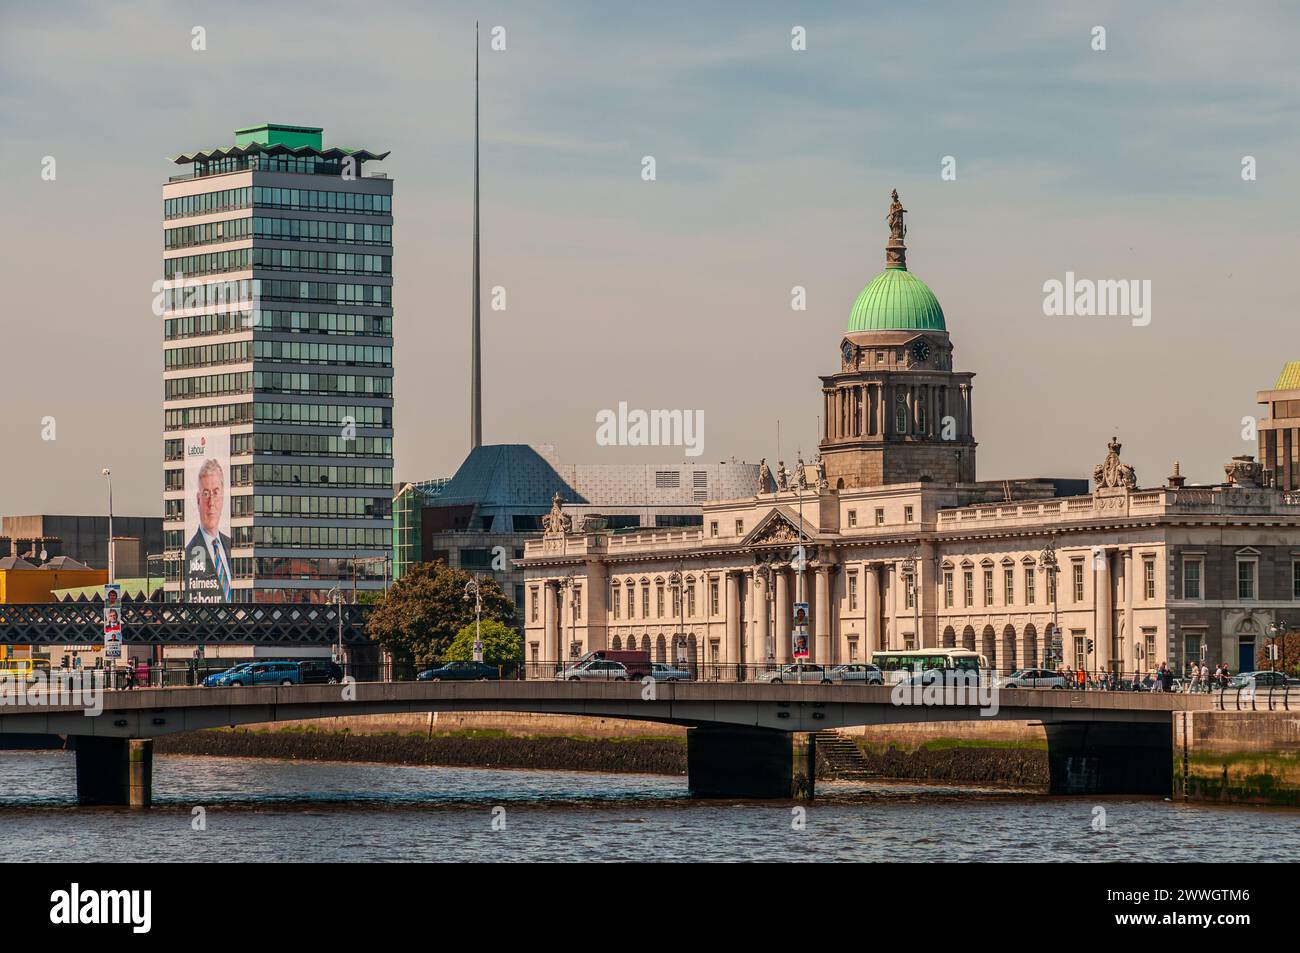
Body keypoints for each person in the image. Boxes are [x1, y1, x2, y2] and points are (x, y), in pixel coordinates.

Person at [183, 457, 235, 602]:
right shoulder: (189, 552)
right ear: (198, 499)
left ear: (223, 496)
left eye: (216, 493)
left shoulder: (233, 547)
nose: (211, 502)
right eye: (206, 494)